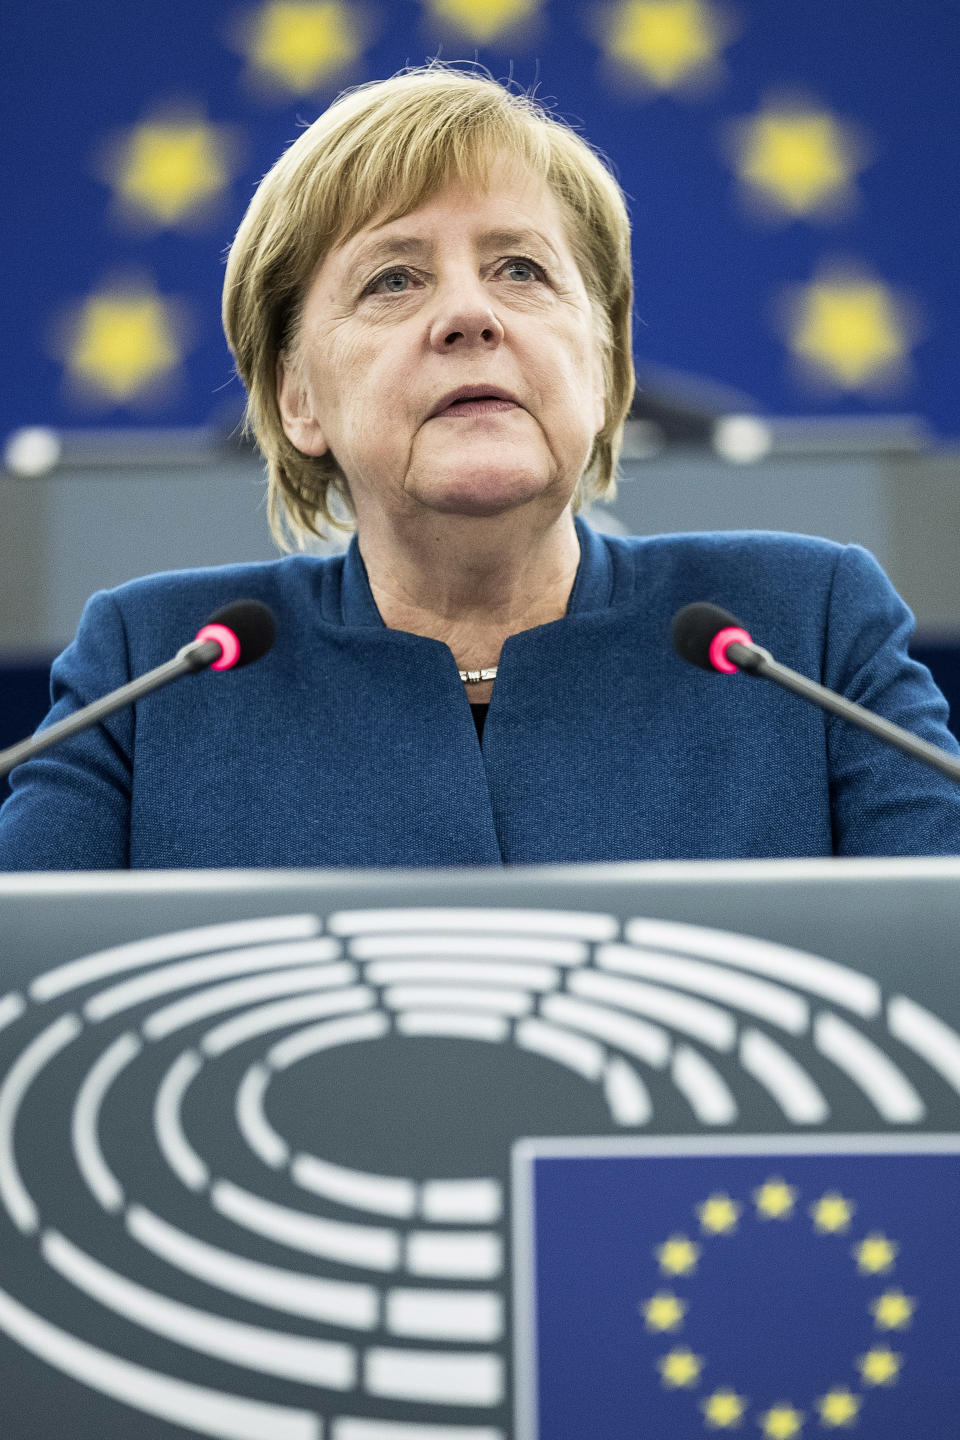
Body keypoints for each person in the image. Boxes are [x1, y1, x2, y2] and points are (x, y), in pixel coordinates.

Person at [2, 63, 960, 870]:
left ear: (606, 366)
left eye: (521, 270)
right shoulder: (152, 669)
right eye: (393, 279)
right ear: (297, 397)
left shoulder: (806, 630)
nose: (471, 315)